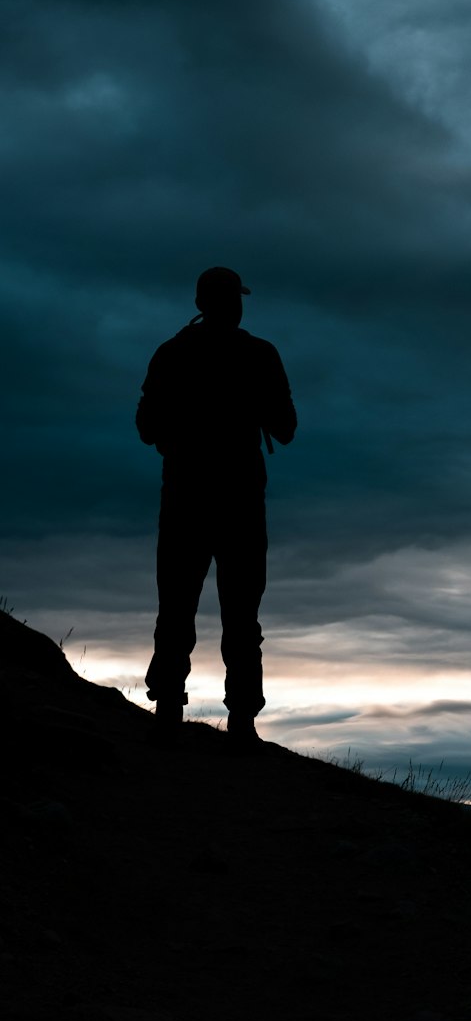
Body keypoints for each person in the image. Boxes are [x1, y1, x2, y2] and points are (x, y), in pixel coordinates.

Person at [136, 267, 297, 749]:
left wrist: (180, 435)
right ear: (235, 303)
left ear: (201, 302)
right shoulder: (260, 355)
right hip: (240, 500)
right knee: (242, 612)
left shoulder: (172, 353)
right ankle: (242, 723)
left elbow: (146, 425)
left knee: (177, 605)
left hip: (185, 495)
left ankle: (167, 710)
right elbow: (286, 427)